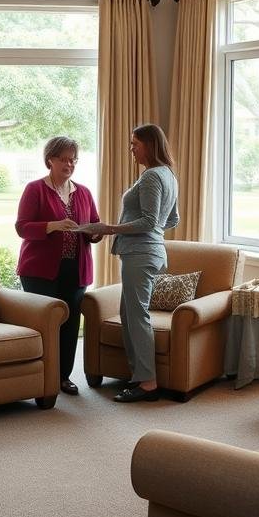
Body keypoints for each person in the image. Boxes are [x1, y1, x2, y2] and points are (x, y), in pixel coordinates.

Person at [88, 124, 179, 403]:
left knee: (137, 316)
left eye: (134, 144)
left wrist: (110, 228)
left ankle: (148, 383)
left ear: (150, 145)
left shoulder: (152, 177)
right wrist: (153, 232)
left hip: (141, 254)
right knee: (129, 314)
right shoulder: (168, 175)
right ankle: (140, 375)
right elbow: (171, 219)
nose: (131, 149)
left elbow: (151, 221)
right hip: (148, 252)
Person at [15, 136, 102, 395]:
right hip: (40, 270)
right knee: (45, 323)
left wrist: (96, 232)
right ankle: (41, 377)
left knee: (70, 322)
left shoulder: (83, 192)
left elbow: (94, 223)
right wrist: (52, 226)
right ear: (50, 160)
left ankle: (63, 377)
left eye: (73, 159)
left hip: (76, 269)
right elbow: (22, 227)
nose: (69, 164)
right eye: (64, 159)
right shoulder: (35, 189)